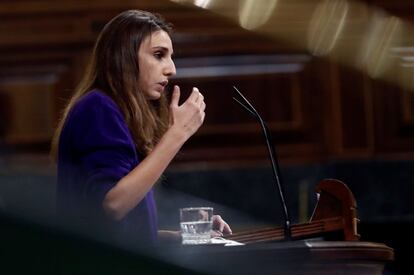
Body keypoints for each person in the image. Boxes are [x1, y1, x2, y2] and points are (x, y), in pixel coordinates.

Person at [51, 9, 231, 245]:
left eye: (170, 56)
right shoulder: (98, 107)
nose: (171, 69)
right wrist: (177, 134)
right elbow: (112, 205)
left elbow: (108, 228)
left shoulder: (112, 109)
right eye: (159, 55)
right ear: (124, 58)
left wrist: (179, 237)